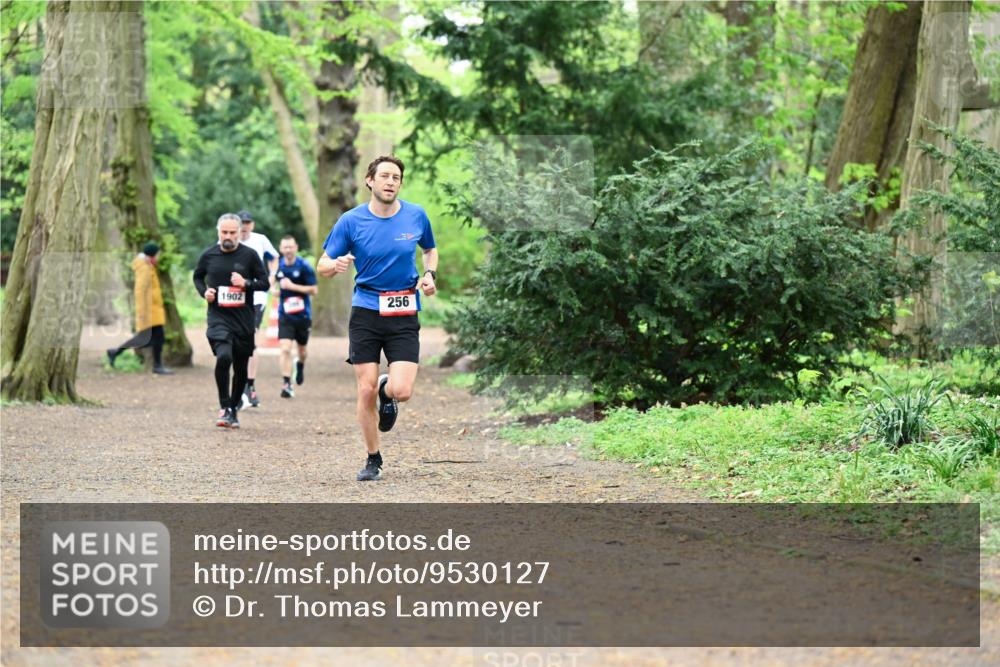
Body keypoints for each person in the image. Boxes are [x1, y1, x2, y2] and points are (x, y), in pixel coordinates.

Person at [318, 155, 438, 481]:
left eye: (396, 177)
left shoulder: (416, 216)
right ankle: (373, 458)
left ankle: (388, 391)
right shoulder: (351, 221)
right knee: (364, 389)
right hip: (367, 312)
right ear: (370, 180)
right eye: (384, 176)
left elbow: (430, 249)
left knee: (402, 390)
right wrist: (335, 265)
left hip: (403, 312)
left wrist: (429, 274)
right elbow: (322, 265)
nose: (390, 182)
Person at [193, 213, 270, 428]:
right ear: (218, 232)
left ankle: (234, 409)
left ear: (239, 233)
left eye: (232, 232)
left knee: (241, 367)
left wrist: (246, 283)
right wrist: (204, 292)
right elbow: (197, 277)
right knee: (224, 356)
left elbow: (264, 283)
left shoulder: (250, 255)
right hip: (218, 317)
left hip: (243, 320)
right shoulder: (208, 255)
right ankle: (224, 405)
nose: (228, 236)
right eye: (224, 232)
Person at [107, 241, 173, 375]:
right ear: (152, 255)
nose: (159, 257)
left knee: (148, 338)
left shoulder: (148, 265)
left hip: (153, 309)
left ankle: (115, 352)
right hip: (149, 311)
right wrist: (142, 313)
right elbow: (140, 291)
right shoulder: (144, 268)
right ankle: (157, 365)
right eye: (158, 254)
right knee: (153, 338)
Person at [236, 210, 278, 408]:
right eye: (242, 222)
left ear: (252, 224)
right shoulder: (230, 239)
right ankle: (240, 385)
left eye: (248, 222)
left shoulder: (260, 240)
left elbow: (274, 257)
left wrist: (271, 276)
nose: (245, 226)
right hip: (235, 297)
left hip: (257, 297)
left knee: (251, 338)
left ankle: (249, 386)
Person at [275, 235, 317, 398]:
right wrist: (274, 290)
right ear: (281, 249)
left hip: (302, 315)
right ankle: (286, 383)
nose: (288, 250)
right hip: (284, 315)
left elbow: (314, 290)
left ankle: (300, 364)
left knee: (302, 351)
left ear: (296, 247)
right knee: (285, 348)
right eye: (285, 247)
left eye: (290, 247)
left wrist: (293, 286)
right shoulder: (278, 267)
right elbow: (272, 283)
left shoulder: (304, 266)